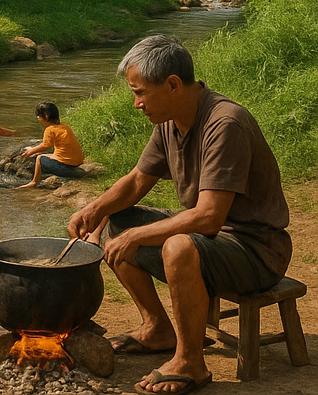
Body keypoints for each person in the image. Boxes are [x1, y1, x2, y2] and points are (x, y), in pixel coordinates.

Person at [68, 35, 292, 395]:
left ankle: (191, 362)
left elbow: (208, 219)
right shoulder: (170, 121)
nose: (136, 104)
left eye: (140, 93)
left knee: (175, 247)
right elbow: (139, 179)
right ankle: (157, 327)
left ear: (172, 85)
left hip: (257, 249)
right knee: (119, 219)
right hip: (218, 240)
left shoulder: (225, 123)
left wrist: (138, 237)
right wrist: (96, 209)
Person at [17, 101, 84, 189]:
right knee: (44, 155)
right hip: (76, 163)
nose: (38, 118)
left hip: (66, 167)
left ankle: (34, 182)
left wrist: (29, 152)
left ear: (46, 116)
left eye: (39, 115)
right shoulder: (65, 127)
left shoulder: (50, 130)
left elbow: (45, 145)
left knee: (39, 158)